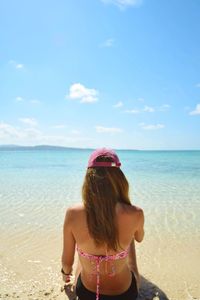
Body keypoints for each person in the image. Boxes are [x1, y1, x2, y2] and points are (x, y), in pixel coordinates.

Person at [61, 148, 144, 300]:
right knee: (129, 238)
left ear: (89, 178)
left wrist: (66, 275)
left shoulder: (73, 213)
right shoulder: (135, 213)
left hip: (87, 293)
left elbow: (67, 262)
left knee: (82, 247)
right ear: (119, 179)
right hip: (125, 294)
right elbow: (139, 238)